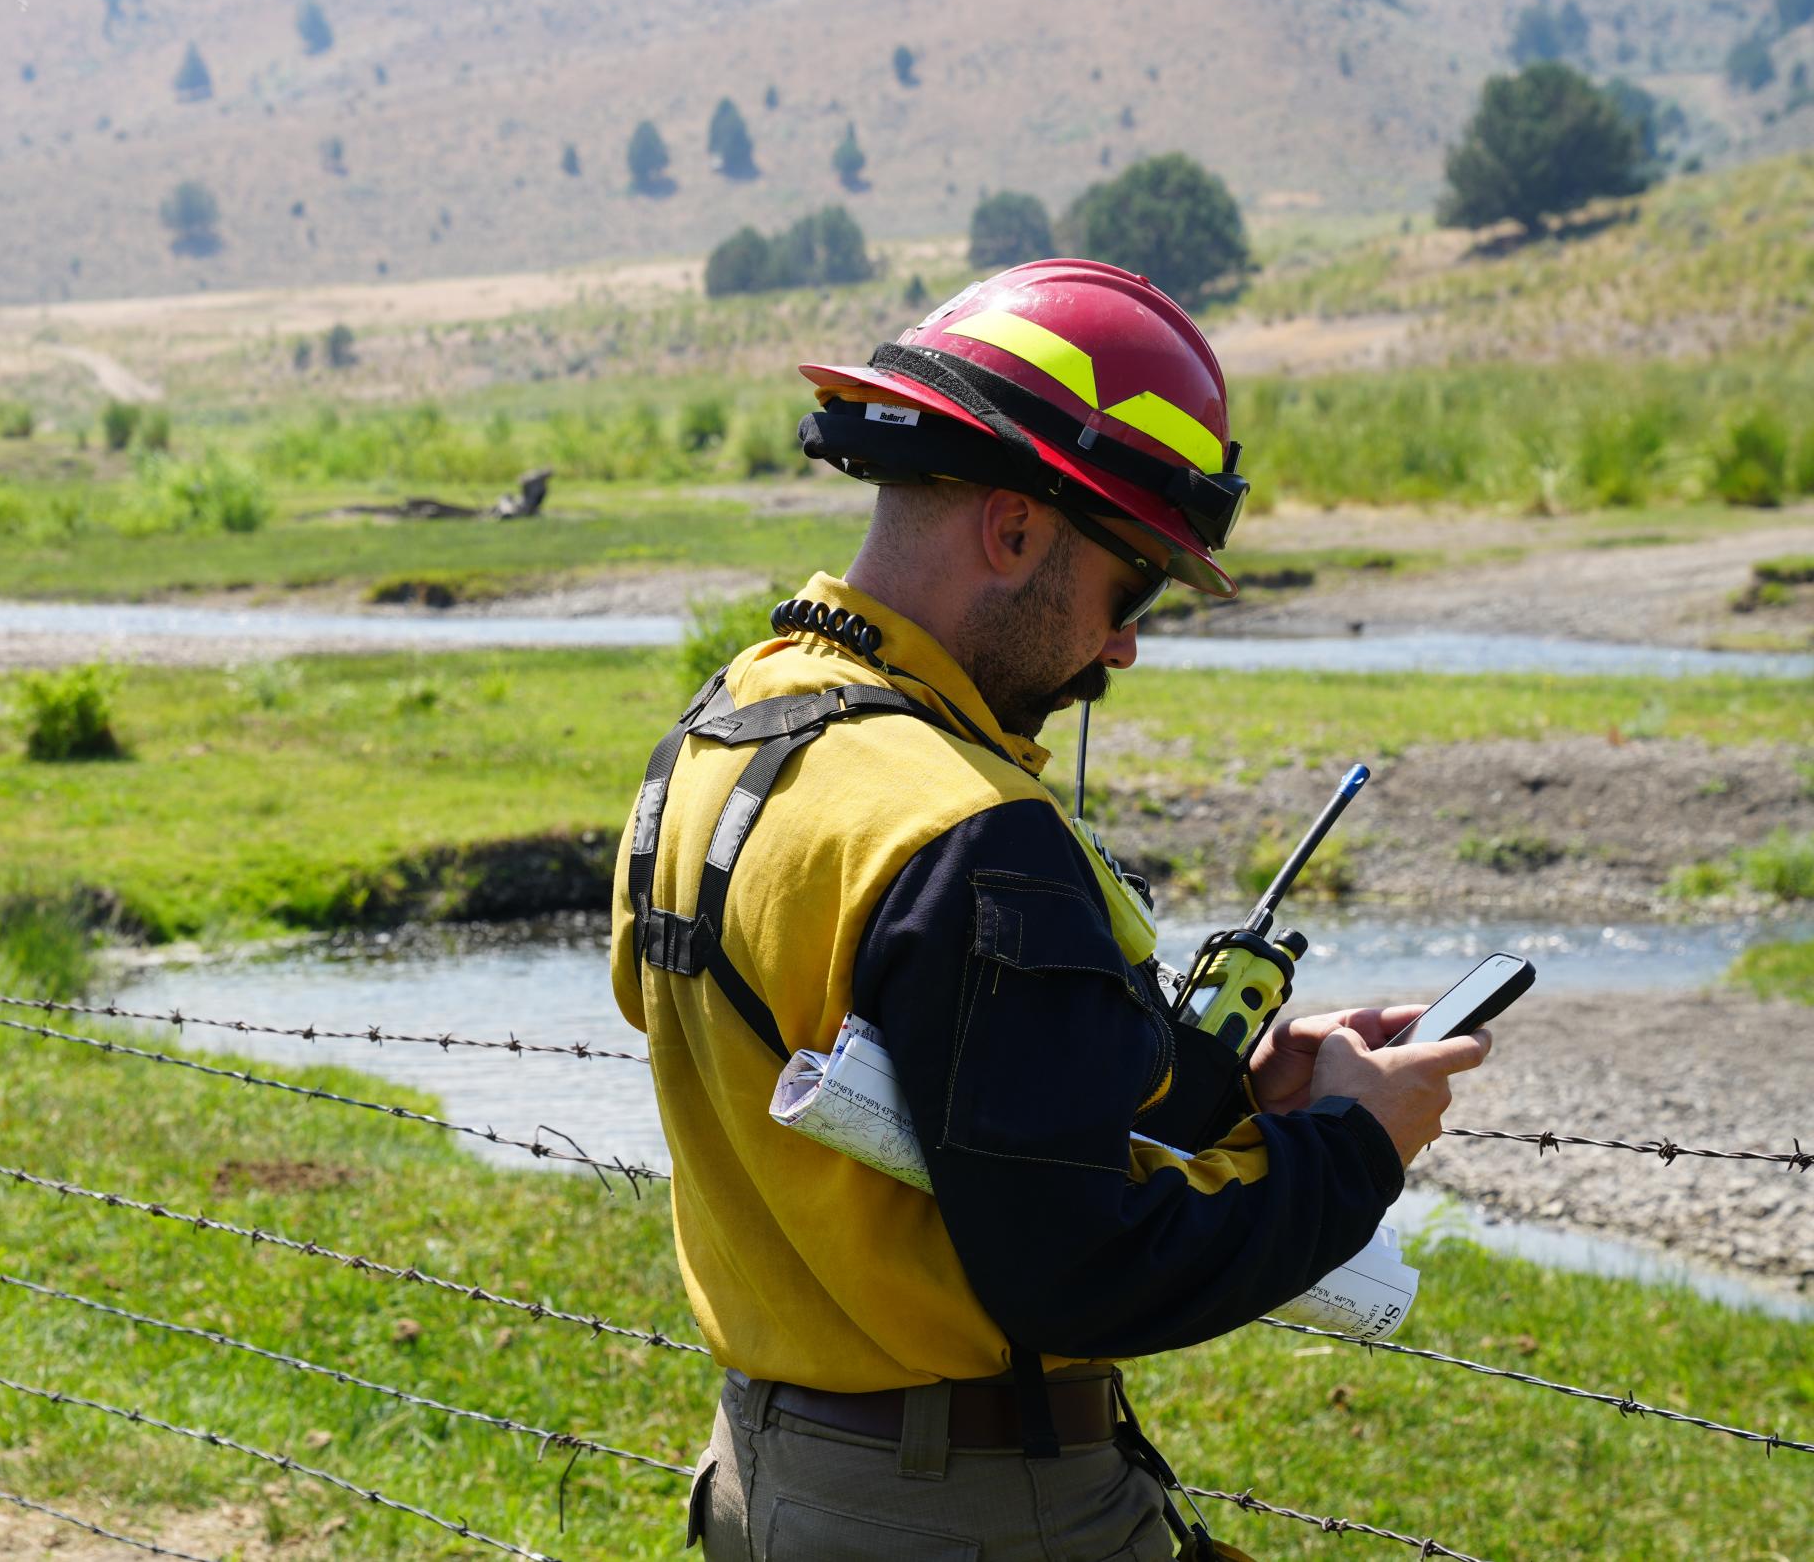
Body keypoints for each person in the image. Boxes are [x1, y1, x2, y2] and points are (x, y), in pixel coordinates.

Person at [610, 259, 1491, 1561]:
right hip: (971, 1516)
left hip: (767, 1477)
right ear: (1015, 529)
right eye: (1130, 584)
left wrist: (1216, 1094)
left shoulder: (721, 735)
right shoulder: (974, 834)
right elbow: (1085, 1264)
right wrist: (1355, 1144)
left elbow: (918, 1105)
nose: (1126, 645)